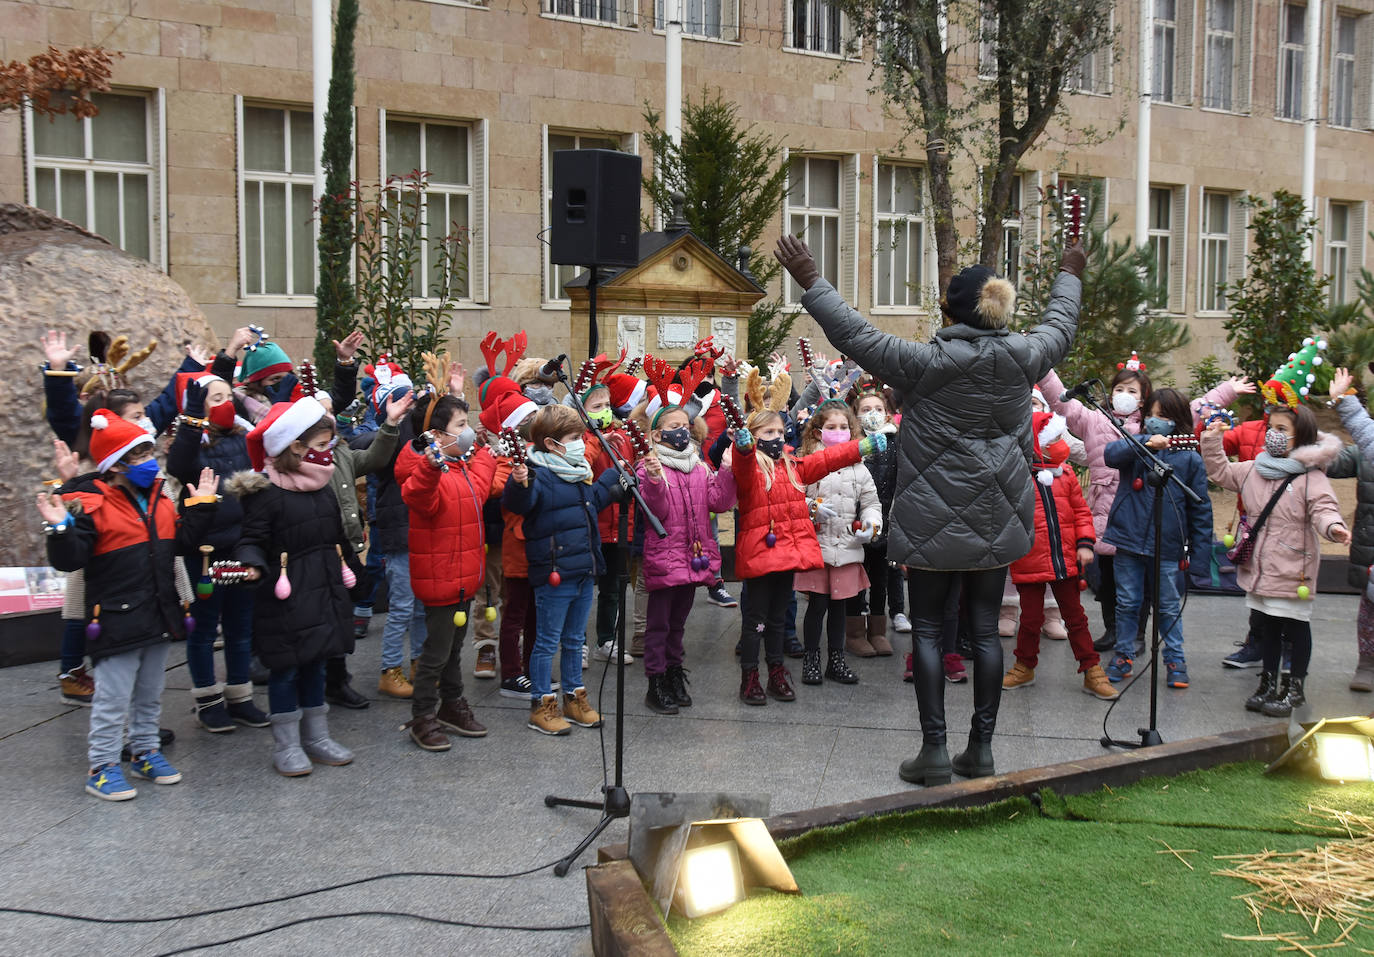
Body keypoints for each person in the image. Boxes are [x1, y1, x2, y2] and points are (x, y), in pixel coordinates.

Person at [775, 232, 1083, 786]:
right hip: (997, 516)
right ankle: (982, 750)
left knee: (930, 633)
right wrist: (1070, 272)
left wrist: (811, 280)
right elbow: (1061, 323)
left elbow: (852, 331)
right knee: (986, 633)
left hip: (931, 522)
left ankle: (935, 752)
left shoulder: (921, 362)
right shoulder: (1026, 355)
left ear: (949, 309)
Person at [38, 411, 219, 800]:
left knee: (150, 692)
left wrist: (201, 507)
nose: (148, 462)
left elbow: (184, 544)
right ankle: (101, 766)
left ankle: (145, 751)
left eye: (148, 453)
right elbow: (70, 558)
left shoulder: (161, 500)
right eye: (138, 456)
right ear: (115, 466)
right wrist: (59, 530)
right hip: (116, 618)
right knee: (112, 699)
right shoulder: (93, 505)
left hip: (158, 612)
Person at [231, 397, 365, 777]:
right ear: (295, 447)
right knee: (286, 670)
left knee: (316, 667)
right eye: (322, 447)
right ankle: (287, 745)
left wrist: (356, 574)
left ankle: (317, 737)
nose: (328, 455)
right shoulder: (266, 494)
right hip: (285, 600)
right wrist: (253, 565)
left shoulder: (321, 490)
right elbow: (251, 539)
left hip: (323, 592)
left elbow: (336, 539)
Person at [726, 406, 884, 705]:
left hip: (787, 554)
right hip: (761, 555)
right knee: (755, 621)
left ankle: (776, 672)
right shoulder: (752, 468)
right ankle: (749, 678)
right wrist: (744, 449)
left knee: (776, 619)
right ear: (755, 435)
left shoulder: (793, 465)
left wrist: (859, 447)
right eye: (768, 433)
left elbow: (826, 459)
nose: (776, 438)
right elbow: (743, 469)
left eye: (779, 432)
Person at [1203, 401, 1349, 716]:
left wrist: (1333, 527)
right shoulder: (1254, 468)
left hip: (1293, 567)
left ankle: (1294, 688)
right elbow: (1220, 472)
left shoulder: (1311, 476)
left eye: (1282, 429)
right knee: (1266, 625)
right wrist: (1213, 439)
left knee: (1295, 627)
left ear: (1302, 436)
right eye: (1271, 428)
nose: (1273, 434)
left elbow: (1324, 508)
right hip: (1261, 564)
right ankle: (1268, 682)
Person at [503, 404, 621, 735]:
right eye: (574, 437)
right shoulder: (538, 474)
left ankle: (573, 697)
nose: (581, 443)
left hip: (582, 568)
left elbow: (589, 504)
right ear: (552, 443)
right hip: (554, 572)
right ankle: (542, 704)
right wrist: (518, 483)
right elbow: (519, 503)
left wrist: (612, 478)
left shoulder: (577, 469)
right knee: (546, 641)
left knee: (572, 639)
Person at [164, 373, 268, 732]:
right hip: (204, 552)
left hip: (240, 546)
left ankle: (240, 696)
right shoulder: (191, 444)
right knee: (205, 629)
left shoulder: (242, 439)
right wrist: (192, 421)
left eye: (228, 396)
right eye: (214, 398)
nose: (224, 403)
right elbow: (179, 465)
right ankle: (208, 701)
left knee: (241, 626)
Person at [396, 393, 500, 751]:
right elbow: (418, 495)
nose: (468, 431)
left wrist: (487, 451)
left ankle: (452, 705)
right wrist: (428, 464)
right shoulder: (428, 471)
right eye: (461, 426)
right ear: (438, 436)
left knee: (453, 651)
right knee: (435, 654)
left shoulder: (462, 468)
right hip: (440, 578)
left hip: (463, 578)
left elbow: (483, 486)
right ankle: (423, 714)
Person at [1099, 388, 1214, 689]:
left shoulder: (1189, 459)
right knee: (1127, 602)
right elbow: (1111, 455)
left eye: (1162, 416)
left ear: (1177, 421)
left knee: (1167, 605)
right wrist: (1143, 442)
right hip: (1128, 539)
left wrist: (1199, 559)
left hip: (1167, 544)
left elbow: (1201, 511)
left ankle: (1175, 659)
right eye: (1150, 414)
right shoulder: (1136, 447)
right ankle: (1123, 655)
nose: (1154, 421)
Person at [1001, 411, 1117, 700]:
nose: (1061, 444)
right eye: (1054, 439)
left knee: (1075, 618)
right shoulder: (1018, 479)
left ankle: (1091, 670)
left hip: (1065, 559)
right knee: (1029, 619)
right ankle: (1024, 665)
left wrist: (1085, 544)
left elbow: (1081, 512)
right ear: (1036, 444)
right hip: (1030, 559)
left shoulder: (1066, 475)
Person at [635, 394, 737, 714]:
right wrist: (653, 480)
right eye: (673, 426)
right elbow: (658, 511)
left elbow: (718, 502)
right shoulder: (649, 465)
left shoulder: (699, 465)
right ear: (656, 434)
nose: (682, 431)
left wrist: (728, 470)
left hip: (694, 556)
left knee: (678, 624)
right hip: (666, 557)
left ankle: (675, 673)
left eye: (685, 425)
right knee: (659, 624)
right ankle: (656, 681)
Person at [794, 399, 882, 685]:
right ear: (819, 432)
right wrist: (811, 507)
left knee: (840, 607)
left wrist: (871, 524)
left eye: (844, 427)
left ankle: (836, 659)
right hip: (817, 545)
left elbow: (870, 502)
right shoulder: (807, 463)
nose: (839, 431)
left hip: (846, 546)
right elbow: (794, 495)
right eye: (832, 427)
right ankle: (811, 658)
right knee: (817, 605)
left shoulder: (859, 468)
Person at [849, 378, 906, 649]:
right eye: (866, 409)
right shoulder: (853, 444)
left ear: (887, 412)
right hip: (856, 521)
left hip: (886, 520)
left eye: (878, 408)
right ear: (856, 415)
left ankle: (878, 628)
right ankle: (855, 631)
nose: (872, 413)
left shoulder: (896, 441)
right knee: (856, 576)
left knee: (880, 577)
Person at [1327, 368, 1374, 692]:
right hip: (1371, 543)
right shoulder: (1367, 447)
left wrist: (1343, 400)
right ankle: (1367, 663)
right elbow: (1340, 459)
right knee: (1370, 608)